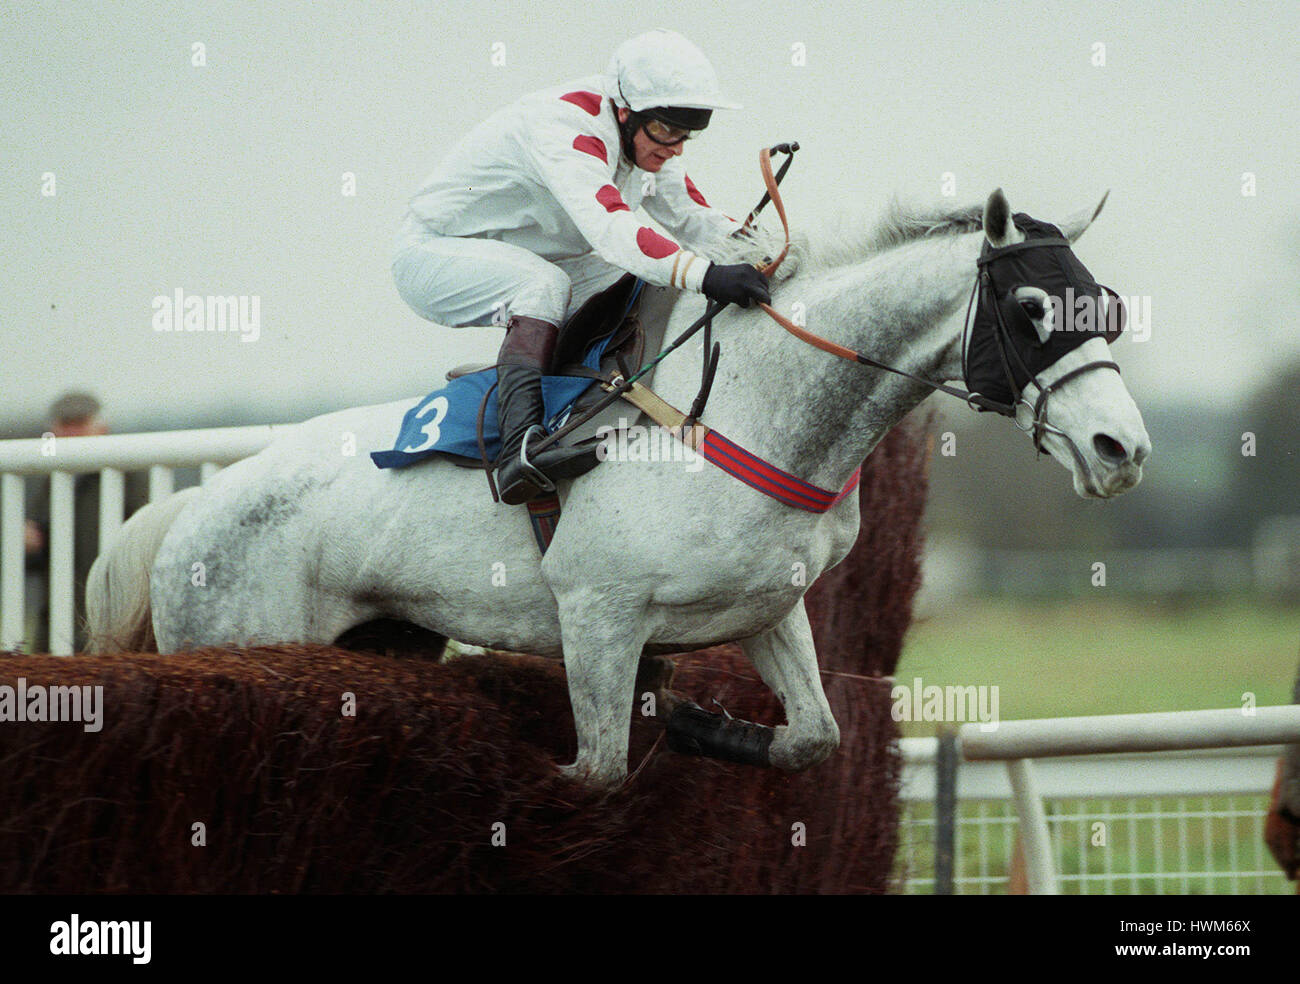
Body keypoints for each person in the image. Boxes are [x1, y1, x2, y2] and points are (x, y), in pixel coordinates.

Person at [392, 29, 771, 504]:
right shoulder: (564, 128)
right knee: (544, 285)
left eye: (687, 134)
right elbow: (612, 228)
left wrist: (769, 252)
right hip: (434, 253)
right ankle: (518, 452)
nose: (676, 147)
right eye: (667, 132)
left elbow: (693, 218)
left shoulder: (646, 134)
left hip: (530, 255)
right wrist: (708, 274)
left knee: (644, 285)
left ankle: (579, 401)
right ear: (625, 111)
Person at [25, 392, 148, 652]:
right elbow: (33, 555)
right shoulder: (50, 479)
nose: (71, 432)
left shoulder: (128, 475)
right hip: (55, 623)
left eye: (79, 423)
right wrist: (27, 545)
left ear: (102, 429)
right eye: (65, 424)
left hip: (114, 621)